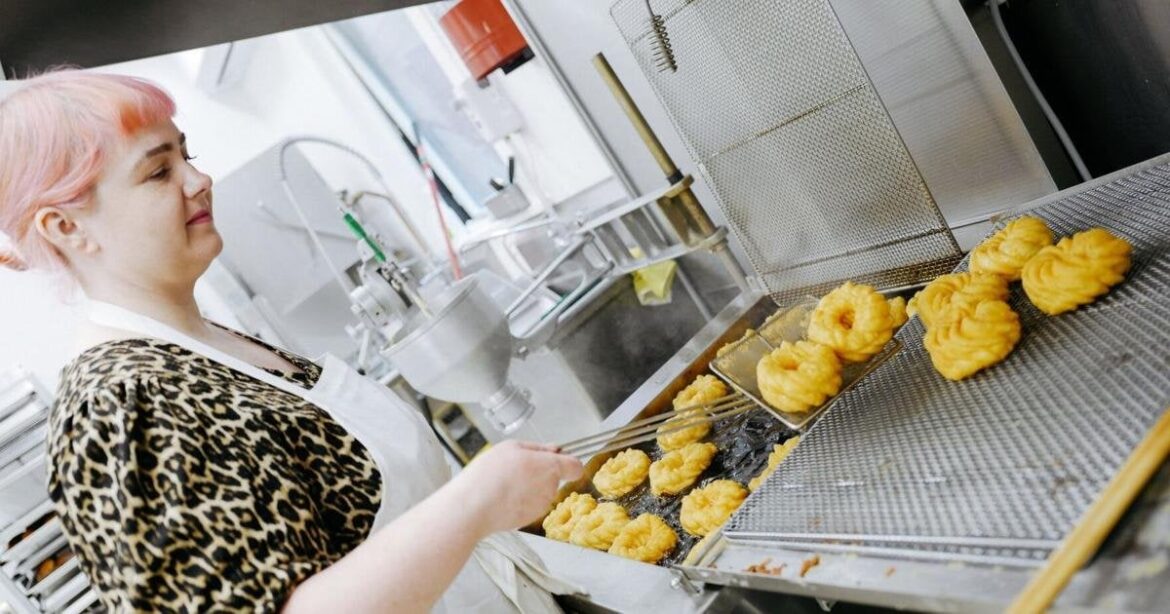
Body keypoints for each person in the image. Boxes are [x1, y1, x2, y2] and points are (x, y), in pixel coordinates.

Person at [0, 70, 584, 613]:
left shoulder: (206, 344)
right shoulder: (120, 410)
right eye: (158, 172)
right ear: (67, 228)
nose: (200, 180)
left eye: (187, 155)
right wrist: (472, 504)